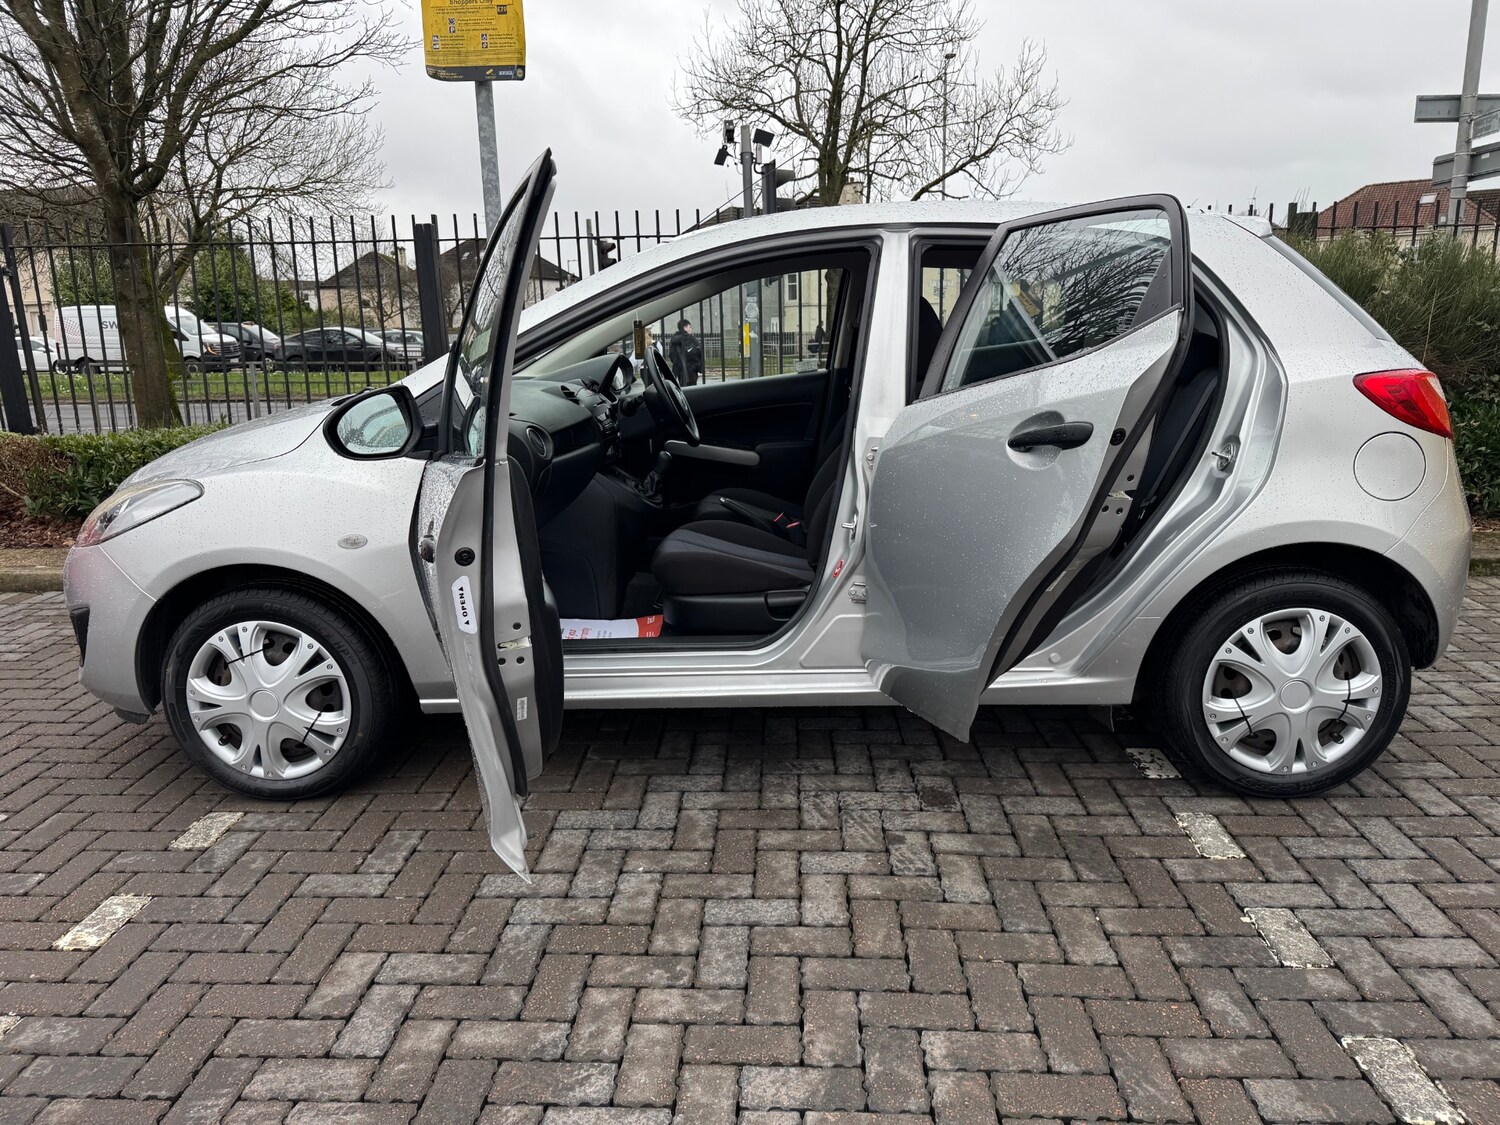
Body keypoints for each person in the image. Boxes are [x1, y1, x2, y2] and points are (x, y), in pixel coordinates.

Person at [668, 318, 705, 386]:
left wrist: (678, 364)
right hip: (691, 370)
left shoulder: (674, 340)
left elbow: (671, 355)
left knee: (683, 389)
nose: (691, 329)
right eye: (689, 327)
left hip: (680, 370)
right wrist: (698, 367)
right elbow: (698, 352)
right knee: (692, 390)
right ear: (684, 327)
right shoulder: (690, 338)